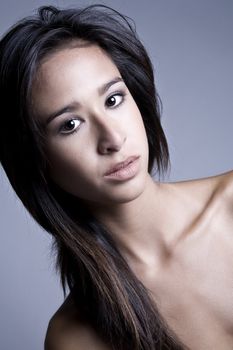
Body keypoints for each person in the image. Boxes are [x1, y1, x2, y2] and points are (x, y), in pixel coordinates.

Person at [0, 4, 232, 350]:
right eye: (70, 125)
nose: (113, 139)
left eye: (113, 99)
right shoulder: (74, 337)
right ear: (35, 159)